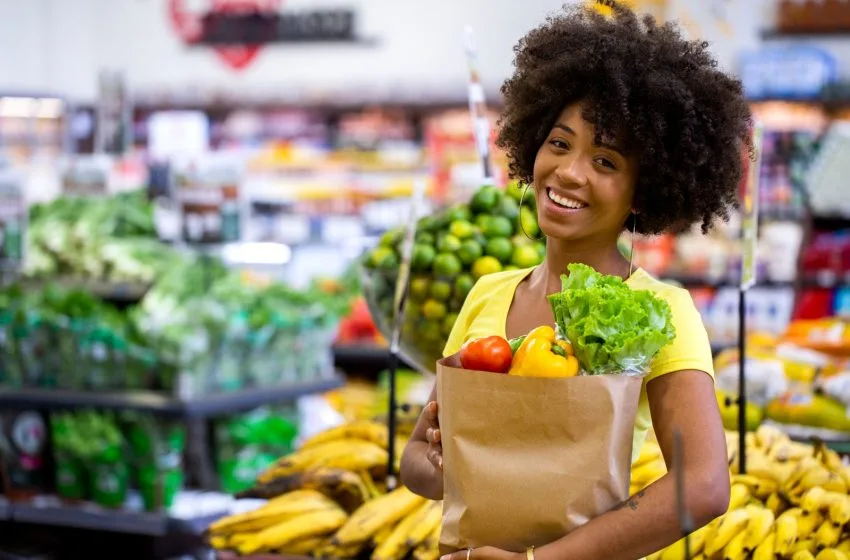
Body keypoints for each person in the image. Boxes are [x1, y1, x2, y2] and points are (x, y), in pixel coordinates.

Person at [399, 2, 753, 559]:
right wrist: (449, 462)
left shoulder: (662, 311)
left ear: (645, 190)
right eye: (560, 143)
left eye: (606, 161)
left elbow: (703, 486)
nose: (568, 171)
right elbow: (416, 463)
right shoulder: (489, 294)